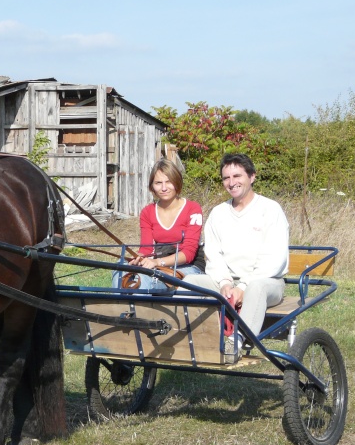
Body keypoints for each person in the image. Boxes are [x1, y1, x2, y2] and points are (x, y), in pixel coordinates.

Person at [182, 153, 289, 361]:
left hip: (267, 283)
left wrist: (244, 286)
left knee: (256, 288)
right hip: (228, 281)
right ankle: (186, 338)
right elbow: (213, 256)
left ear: (252, 177)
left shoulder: (270, 210)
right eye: (226, 178)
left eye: (237, 176)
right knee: (189, 282)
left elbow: (273, 259)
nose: (232, 183)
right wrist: (224, 283)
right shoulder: (218, 214)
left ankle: (235, 344)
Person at [113, 158, 204, 291]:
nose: (163, 188)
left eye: (168, 182)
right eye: (158, 183)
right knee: (120, 268)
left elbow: (188, 254)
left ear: (177, 182)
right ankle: (120, 306)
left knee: (145, 280)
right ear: (152, 187)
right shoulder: (147, 212)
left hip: (189, 267)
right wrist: (139, 259)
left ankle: (133, 307)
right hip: (158, 265)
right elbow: (146, 250)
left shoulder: (193, 209)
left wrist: (157, 262)